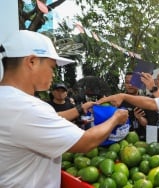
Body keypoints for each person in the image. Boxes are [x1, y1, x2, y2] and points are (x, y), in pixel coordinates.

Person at [0, 30, 128, 187]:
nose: (53, 74)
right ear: (31, 62)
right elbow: (86, 142)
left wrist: (80, 109)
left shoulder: (8, 100)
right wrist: (116, 118)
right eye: (52, 67)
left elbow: (52, 118)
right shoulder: (26, 107)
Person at [120, 72, 152, 141]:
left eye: (133, 82)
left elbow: (149, 125)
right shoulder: (119, 101)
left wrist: (140, 118)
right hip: (123, 141)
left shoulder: (146, 100)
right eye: (127, 82)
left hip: (142, 142)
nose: (130, 85)